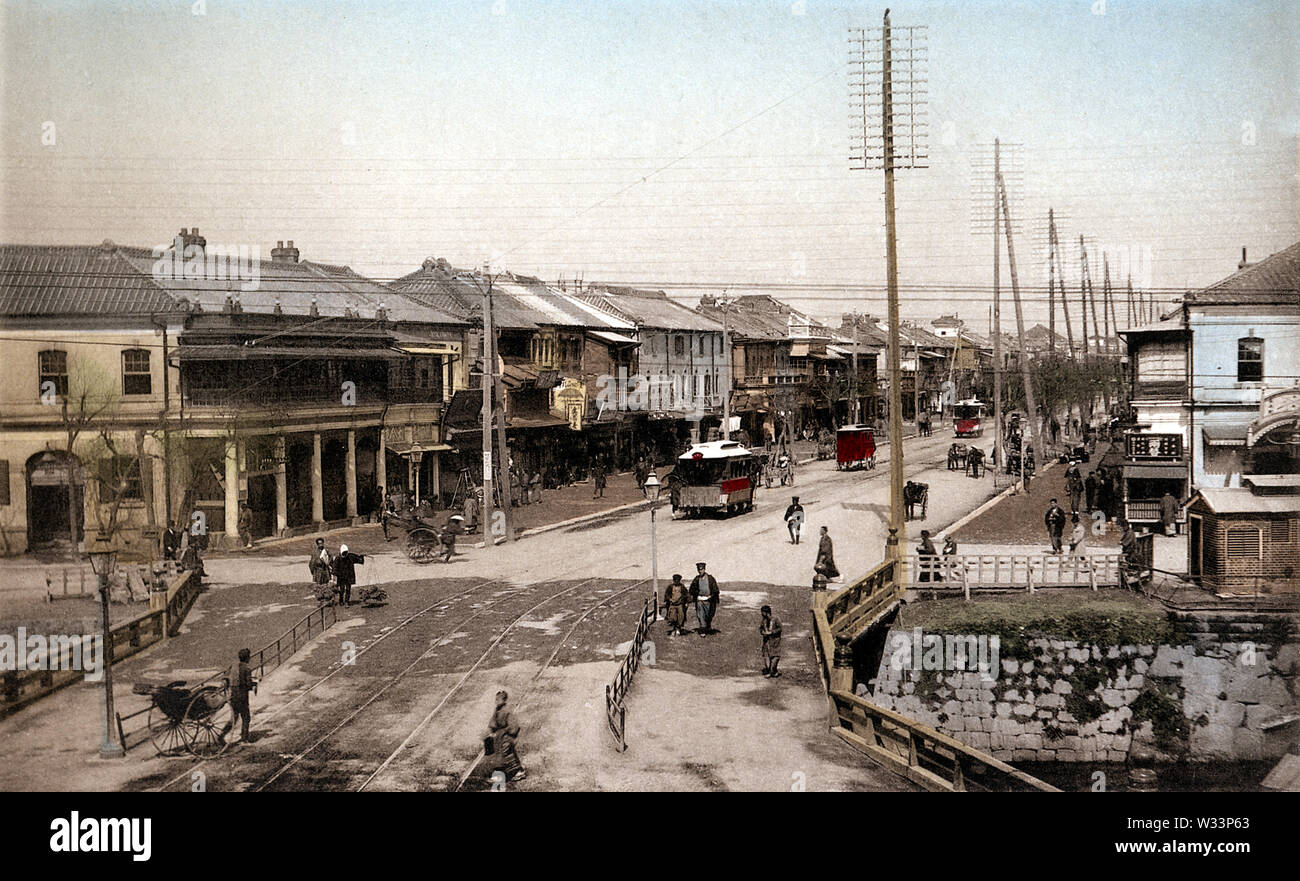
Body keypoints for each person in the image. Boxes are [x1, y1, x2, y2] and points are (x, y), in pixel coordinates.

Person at [220, 647, 257, 745]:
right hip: (242, 697)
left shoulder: (233, 666)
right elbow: (247, 685)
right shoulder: (247, 669)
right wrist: (254, 684)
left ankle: (221, 735)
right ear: (247, 658)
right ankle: (244, 739)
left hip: (233, 696)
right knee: (246, 717)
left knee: (234, 718)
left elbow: (225, 677)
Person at [487, 690, 525, 782]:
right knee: (499, 755)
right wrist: (492, 731)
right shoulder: (497, 710)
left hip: (507, 737)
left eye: (498, 699)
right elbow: (493, 722)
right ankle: (500, 774)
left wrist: (507, 733)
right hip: (499, 737)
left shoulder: (507, 711)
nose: (496, 701)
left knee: (506, 754)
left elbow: (514, 726)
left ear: (504, 700)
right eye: (496, 699)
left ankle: (518, 771)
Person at [690, 562, 720, 636]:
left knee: (709, 615)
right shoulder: (696, 579)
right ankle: (702, 630)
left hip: (709, 600)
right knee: (701, 615)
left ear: (704, 569)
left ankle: (707, 627)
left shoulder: (710, 578)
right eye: (699, 570)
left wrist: (711, 596)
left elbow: (715, 590)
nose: (700, 571)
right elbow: (691, 589)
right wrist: (696, 595)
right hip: (700, 600)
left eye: (702, 569)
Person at [759, 605, 783, 678]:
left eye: (763, 613)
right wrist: (763, 632)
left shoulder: (776, 619)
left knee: (775, 656)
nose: (761, 614)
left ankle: (773, 670)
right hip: (766, 642)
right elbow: (761, 629)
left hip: (775, 642)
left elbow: (780, 629)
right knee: (766, 656)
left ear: (767, 613)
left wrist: (771, 632)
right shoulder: (763, 620)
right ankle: (770, 671)